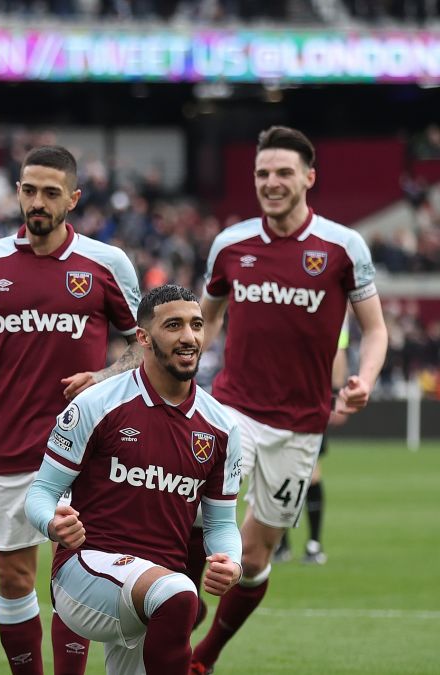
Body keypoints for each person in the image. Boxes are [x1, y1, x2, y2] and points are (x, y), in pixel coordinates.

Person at [0, 145, 142, 675]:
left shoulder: (105, 263)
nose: (37, 202)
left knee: (78, 576)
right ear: (18, 192)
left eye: (50, 193)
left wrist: (104, 377)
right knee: (15, 581)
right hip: (9, 444)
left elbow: (147, 344)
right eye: (28, 190)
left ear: (73, 197)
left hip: (87, 449)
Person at [189, 126, 388, 674]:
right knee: (195, 530)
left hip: (302, 426)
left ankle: (204, 657)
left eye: (282, 173)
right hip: (233, 410)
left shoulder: (344, 248)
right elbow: (204, 321)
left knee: (253, 561)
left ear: (309, 178)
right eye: (261, 174)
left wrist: (364, 379)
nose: (271, 183)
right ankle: (171, 633)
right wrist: (175, 363)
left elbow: (375, 331)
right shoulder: (231, 245)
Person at [25, 284, 244, 675]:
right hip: (83, 572)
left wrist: (234, 563)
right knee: (179, 593)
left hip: (151, 586)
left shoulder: (223, 427)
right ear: (143, 337)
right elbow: (41, 493)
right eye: (173, 325)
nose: (189, 337)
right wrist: (52, 523)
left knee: (172, 593)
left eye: (196, 325)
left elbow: (222, 525)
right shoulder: (97, 404)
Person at [275, 324, 349, 565]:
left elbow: (338, 351)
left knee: (309, 471)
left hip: (307, 401)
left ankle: (312, 543)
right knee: (278, 473)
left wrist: (336, 395)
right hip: (279, 400)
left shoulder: (319, 303)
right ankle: (284, 544)